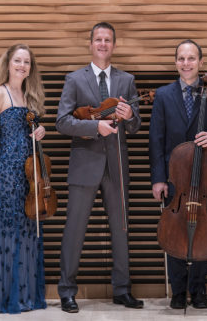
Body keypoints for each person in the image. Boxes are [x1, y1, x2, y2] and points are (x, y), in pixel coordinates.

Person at [56, 22, 143, 313]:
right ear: (90, 44)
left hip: (116, 165)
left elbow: (135, 126)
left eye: (107, 40)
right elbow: (62, 122)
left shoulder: (127, 80)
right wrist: (96, 126)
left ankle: (122, 290)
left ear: (114, 45)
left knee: (121, 229)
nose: (103, 44)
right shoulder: (74, 79)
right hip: (84, 165)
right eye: (98, 39)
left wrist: (130, 115)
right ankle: (67, 291)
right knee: (74, 230)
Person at [149, 39, 207, 309]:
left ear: (201, 62)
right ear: (176, 63)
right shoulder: (163, 95)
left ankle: (198, 290)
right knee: (175, 231)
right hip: (176, 177)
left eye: (191, 58)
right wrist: (159, 178)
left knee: (202, 231)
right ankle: (177, 290)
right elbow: (156, 140)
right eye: (181, 59)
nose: (186, 63)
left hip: (205, 178)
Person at [0, 43, 47, 314]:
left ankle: (27, 296)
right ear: (8, 64)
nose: (22, 66)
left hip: (30, 173)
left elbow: (30, 130)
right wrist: (11, 142)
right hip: (8, 172)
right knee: (8, 230)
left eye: (27, 62)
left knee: (29, 229)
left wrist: (39, 130)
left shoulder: (30, 96)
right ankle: (9, 298)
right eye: (18, 60)